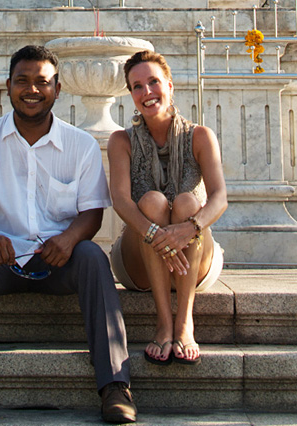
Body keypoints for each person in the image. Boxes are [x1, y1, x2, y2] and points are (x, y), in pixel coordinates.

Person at [0, 45, 136, 425]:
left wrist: (68, 239)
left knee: (93, 258)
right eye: (22, 81)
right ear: (8, 86)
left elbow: (92, 214)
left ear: (58, 89)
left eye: (42, 82)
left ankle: (116, 385)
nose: (32, 89)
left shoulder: (80, 145)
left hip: (58, 262)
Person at [107, 50, 227, 366]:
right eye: (136, 86)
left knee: (188, 202)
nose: (146, 92)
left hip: (194, 254)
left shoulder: (200, 136)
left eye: (153, 82)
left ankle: (184, 322)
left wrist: (189, 228)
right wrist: (156, 235)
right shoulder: (122, 141)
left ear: (169, 86)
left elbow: (219, 197)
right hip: (138, 260)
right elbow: (120, 201)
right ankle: (163, 322)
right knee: (152, 202)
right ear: (130, 95)